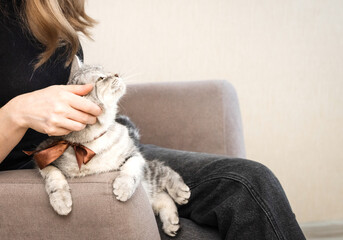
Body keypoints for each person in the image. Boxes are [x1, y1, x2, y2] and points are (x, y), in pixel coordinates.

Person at [0, 1, 306, 239]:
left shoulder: (52, 11)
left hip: (95, 149)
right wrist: (17, 113)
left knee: (250, 183)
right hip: (37, 167)